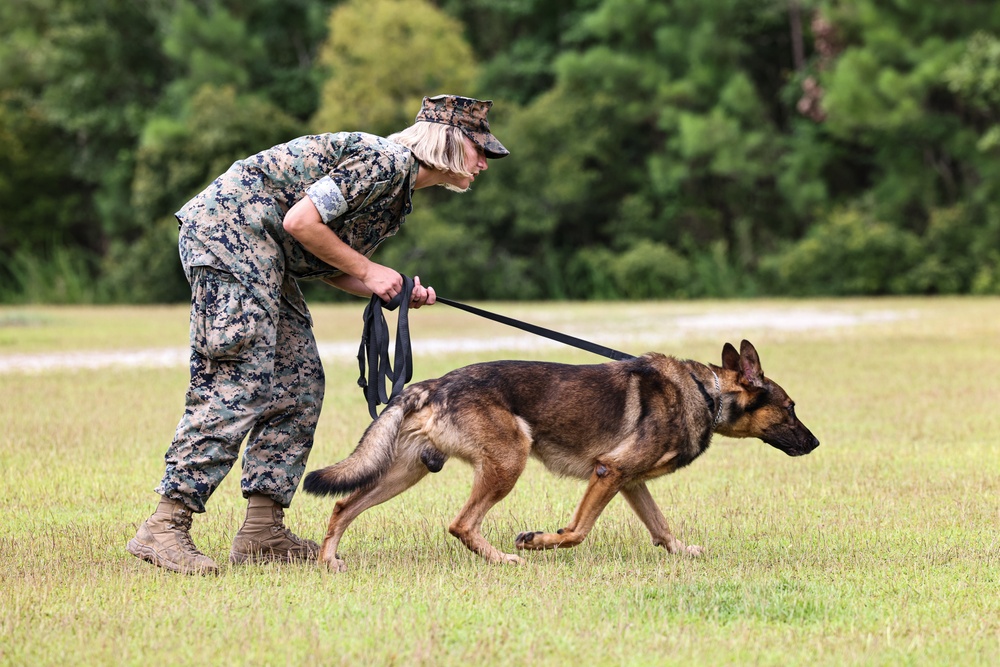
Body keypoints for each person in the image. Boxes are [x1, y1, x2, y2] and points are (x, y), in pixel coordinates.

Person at [127, 94, 509, 575]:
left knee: (299, 383)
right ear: (450, 143)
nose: (484, 164)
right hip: (231, 235)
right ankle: (165, 525)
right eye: (480, 150)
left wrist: (396, 288)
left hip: (268, 256)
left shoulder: (397, 193)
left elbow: (327, 262)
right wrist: (371, 271)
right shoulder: (384, 160)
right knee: (239, 381)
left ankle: (262, 531)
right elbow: (299, 222)